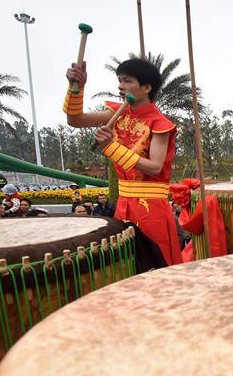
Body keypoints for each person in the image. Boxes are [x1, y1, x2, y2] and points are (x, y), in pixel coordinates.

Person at [64, 58, 182, 265]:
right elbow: (75, 120)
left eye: (127, 81)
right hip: (123, 205)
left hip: (151, 209)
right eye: (119, 80)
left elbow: (155, 167)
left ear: (146, 87)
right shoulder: (118, 113)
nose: (120, 86)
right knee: (126, 266)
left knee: (154, 265)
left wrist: (111, 147)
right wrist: (76, 87)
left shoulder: (160, 124)